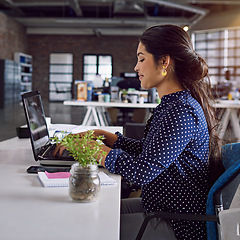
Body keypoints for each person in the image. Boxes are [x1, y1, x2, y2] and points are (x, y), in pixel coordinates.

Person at [54, 25, 224, 240]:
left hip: (177, 222)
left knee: (84, 224)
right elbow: (152, 153)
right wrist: (108, 137)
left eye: (142, 59)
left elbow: (142, 171)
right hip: (158, 207)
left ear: (164, 61)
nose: (136, 67)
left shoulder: (182, 110)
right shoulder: (173, 104)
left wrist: (96, 149)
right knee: (84, 209)